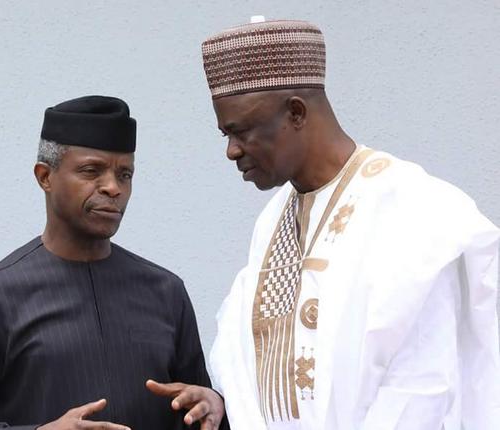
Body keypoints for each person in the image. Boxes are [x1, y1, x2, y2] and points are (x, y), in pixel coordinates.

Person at [200, 17, 500, 429]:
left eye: (243, 131)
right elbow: (251, 365)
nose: (232, 151)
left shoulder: (415, 210)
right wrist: (222, 403)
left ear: (296, 112)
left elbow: (424, 387)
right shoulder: (272, 222)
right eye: (225, 136)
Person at [0, 95, 226, 430]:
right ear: (45, 176)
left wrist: (215, 407)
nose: (112, 188)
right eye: (91, 171)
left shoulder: (166, 293)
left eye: (125, 174)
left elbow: (199, 411)